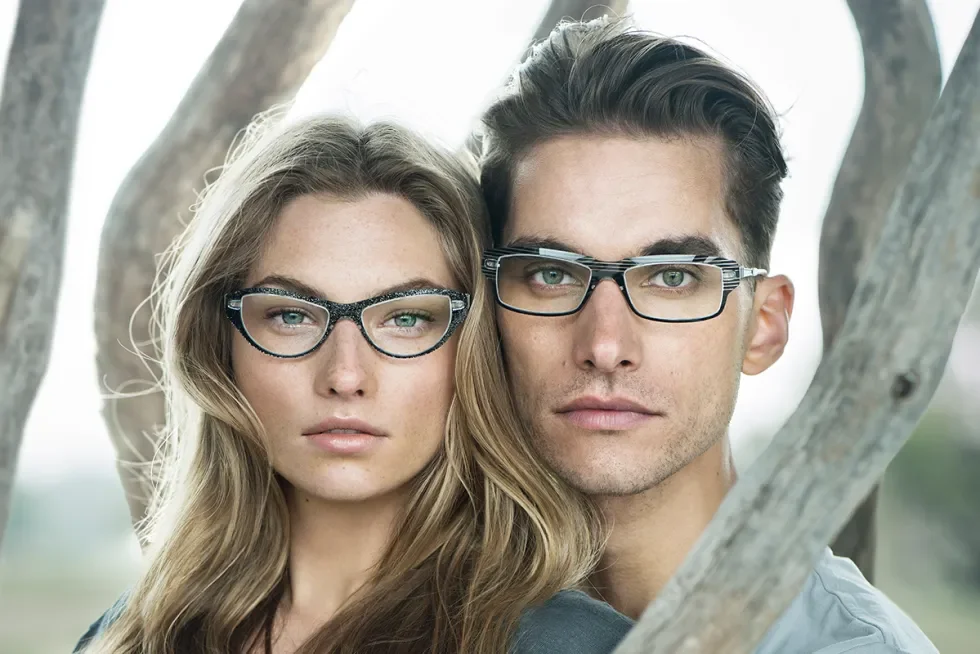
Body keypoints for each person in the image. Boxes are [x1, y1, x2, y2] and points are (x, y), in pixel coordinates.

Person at [75, 114, 631, 653]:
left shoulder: (574, 646)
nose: (345, 376)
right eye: (292, 316)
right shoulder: (124, 637)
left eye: (407, 318)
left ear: (475, 348)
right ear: (222, 349)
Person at [478, 16, 938, 654]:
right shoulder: (414, 608)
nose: (605, 344)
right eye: (553, 274)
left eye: (671, 277)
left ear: (764, 326)